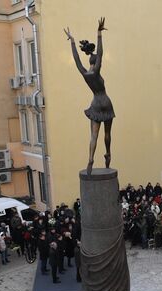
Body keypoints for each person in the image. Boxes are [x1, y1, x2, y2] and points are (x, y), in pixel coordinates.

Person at [64, 18, 114, 174]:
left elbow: (77, 59)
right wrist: (99, 34)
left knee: (94, 135)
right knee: (107, 133)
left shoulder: (86, 73)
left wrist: (72, 42)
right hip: (106, 102)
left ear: (89, 61)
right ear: (96, 61)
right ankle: (108, 153)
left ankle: (90, 158)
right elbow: (100, 53)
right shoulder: (97, 71)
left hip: (96, 104)